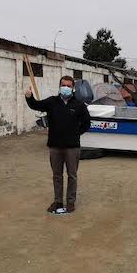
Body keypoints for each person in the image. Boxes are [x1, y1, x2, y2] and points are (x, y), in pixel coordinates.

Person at [26, 76, 91, 213]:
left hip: (72, 147)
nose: (65, 88)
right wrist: (29, 97)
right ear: (60, 86)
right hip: (55, 146)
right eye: (63, 85)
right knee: (57, 175)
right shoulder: (52, 102)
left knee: (72, 175)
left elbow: (87, 123)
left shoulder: (79, 105)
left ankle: (70, 202)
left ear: (73, 88)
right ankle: (58, 201)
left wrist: (75, 134)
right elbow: (35, 105)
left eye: (68, 86)